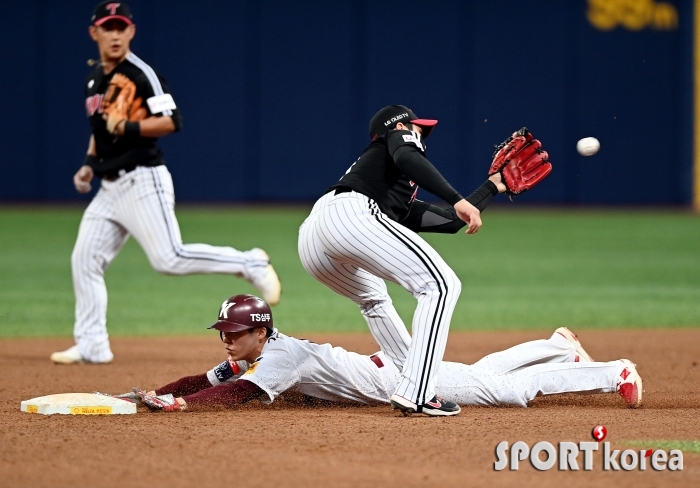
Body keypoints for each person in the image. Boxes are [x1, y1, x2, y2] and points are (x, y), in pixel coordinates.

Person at [51, 2, 281, 366]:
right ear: (94, 32)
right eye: (108, 28)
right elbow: (99, 131)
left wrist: (127, 127)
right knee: (84, 260)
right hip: (109, 189)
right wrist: (88, 165)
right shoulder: (94, 79)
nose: (115, 34)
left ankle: (249, 262)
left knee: (168, 258)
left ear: (131, 32)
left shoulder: (142, 73)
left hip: (143, 178)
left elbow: (172, 121)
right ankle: (93, 345)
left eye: (121, 27)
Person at [297, 105, 550, 415]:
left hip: (313, 238)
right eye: (418, 128)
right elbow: (408, 158)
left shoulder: (391, 190)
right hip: (351, 214)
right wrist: (455, 197)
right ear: (399, 126)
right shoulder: (398, 138)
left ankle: (410, 379)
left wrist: (493, 185)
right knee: (441, 285)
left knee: (374, 299)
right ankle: (417, 391)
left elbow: (450, 220)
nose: (422, 135)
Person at [116, 295, 642, 414]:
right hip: (386, 367)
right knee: (477, 376)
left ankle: (612, 371)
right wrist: (155, 394)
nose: (226, 340)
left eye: (234, 332)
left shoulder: (276, 357)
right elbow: (204, 377)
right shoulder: (258, 352)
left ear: (259, 332)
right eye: (223, 332)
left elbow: (231, 394)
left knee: (506, 392)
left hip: (398, 378)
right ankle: (557, 349)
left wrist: (183, 407)